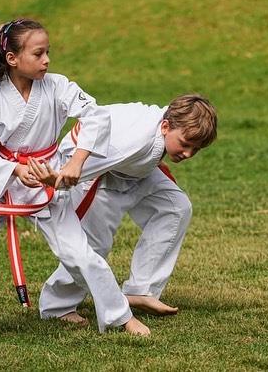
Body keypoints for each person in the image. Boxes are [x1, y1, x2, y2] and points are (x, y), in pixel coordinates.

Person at [0, 18, 149, 336]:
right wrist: (17, 170)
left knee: (78, 252)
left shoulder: (58, 87)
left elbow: (96, 115)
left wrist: (76, 162)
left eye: (48, 52)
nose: (46, 60)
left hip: (48, 178)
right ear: (12, 58)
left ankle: (121, 316)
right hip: (1, 181)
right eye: (38, 54)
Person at [27, 95, 217, 325]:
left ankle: (141, 289)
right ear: (166, 126)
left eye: (196, 149)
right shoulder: (134, 141)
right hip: (91, 167)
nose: (188, 153)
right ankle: (57, 306)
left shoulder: (167, 124)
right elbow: (78, 167)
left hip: (130, 169)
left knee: (176, 207)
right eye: (185, 144)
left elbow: (149, 150)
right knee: (94, 243)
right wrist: (57, 180)